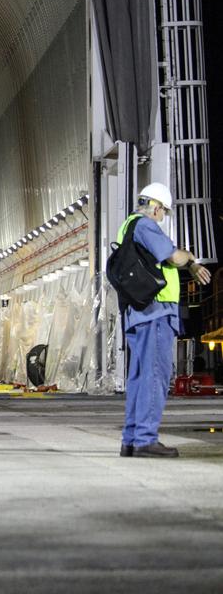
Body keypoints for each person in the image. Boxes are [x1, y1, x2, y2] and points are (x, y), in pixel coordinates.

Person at [118, 183, 210, 458]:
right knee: (156, 374)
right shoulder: (146, 225)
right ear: (156, 207)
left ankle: (132, 439)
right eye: (163, 213)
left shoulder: (128, 226)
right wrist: (191, 258)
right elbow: (172, 255)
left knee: (139, 376)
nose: (162, 218)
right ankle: (146, 439)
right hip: (155, 313)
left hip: (139, 313)